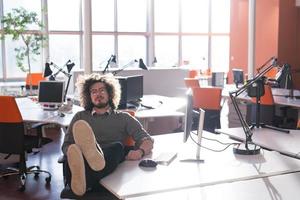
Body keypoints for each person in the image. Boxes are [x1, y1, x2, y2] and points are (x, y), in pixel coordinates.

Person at [62, 73, 153, 196]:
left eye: (101, 90)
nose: (98, 94)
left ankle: (86, 179)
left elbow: (146, 139)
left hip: (109, 159)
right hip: (80, 161)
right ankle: (87, 166)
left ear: (110, 93)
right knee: (74, 152)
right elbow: (66, 146)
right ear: (89, 96)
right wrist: (74, 151)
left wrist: (140, 151)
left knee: (117, 147)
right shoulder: (80, 117)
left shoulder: (123, 117)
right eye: (93, 92)